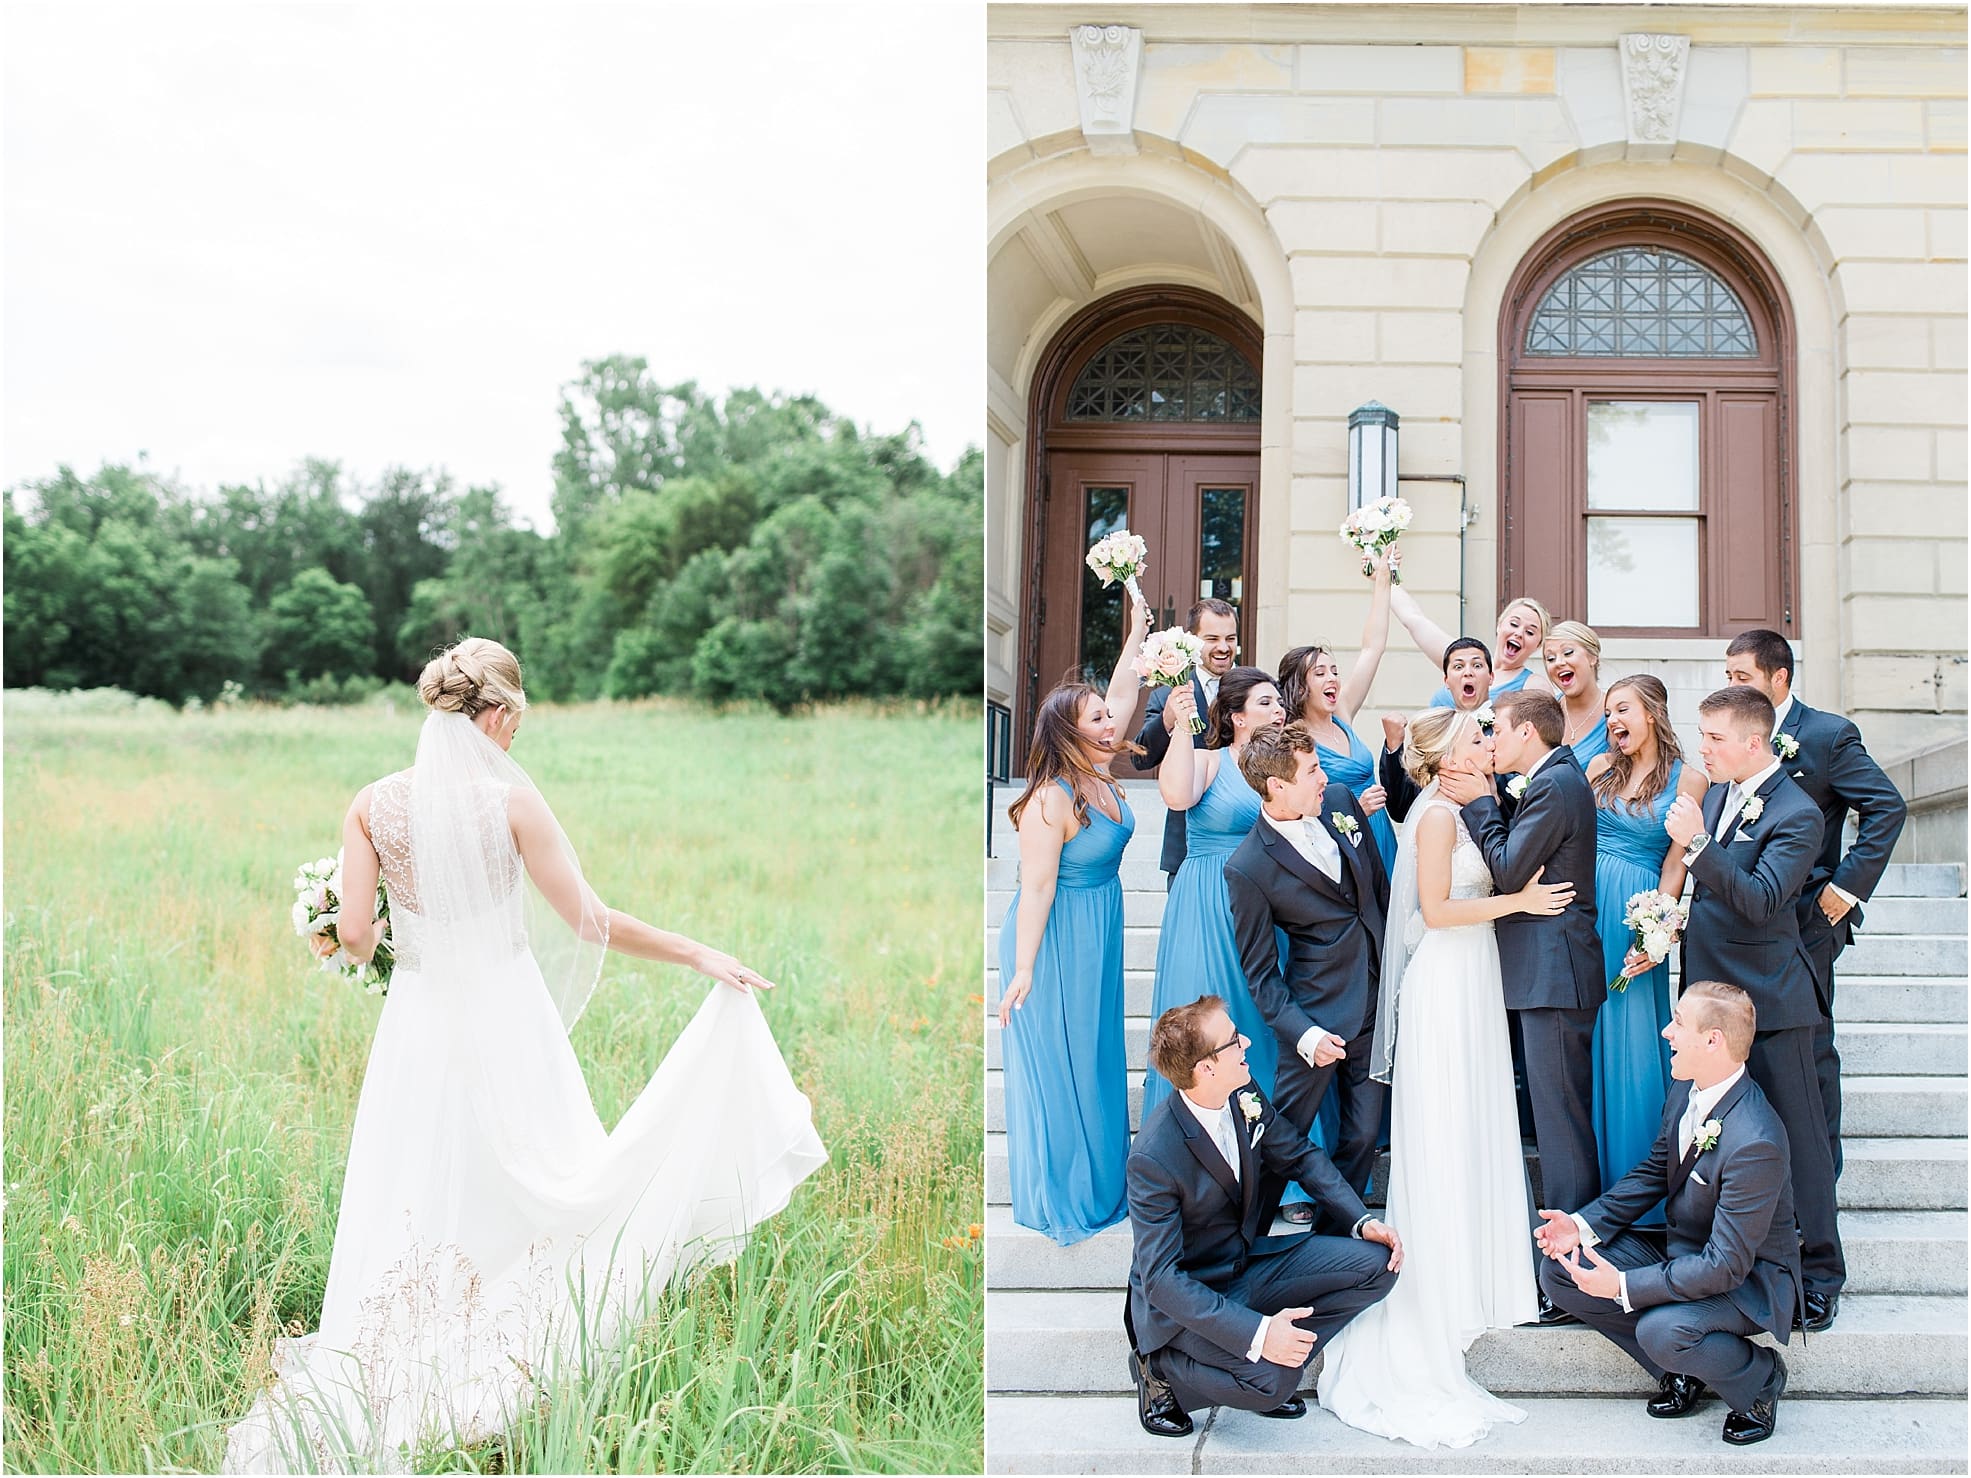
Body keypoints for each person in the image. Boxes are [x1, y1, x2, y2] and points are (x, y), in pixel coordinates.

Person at [225, 638, 827, 1473]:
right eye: (516, 721)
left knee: (419, 1178)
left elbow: (358, 941)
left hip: (419, 1026)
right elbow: (592, 922)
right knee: (541, 1172)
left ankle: (406, 1332)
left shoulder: (371, 804)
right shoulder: (510, 806)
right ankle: (527, 1339)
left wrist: (342, 919)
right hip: (507, 1021)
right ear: (498, 716)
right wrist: (697, 954)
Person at [1316, 707, 1573, 1449]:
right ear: (1441, 761)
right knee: (1443, 1131)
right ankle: (1442, 1285)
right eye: (1474, 740)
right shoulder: (1431, 817)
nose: (1487, 745)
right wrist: (1518, 902)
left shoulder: (1474, 808)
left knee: (1477, 1125)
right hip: (1443, 983)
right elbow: (1435, 909)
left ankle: (1482, 1278)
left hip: (1476, 980)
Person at [1537, 981, 1801, 1448]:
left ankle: (1759, 1379)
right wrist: (1579, 1226)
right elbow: (1657, 1171)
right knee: (1561, 1271)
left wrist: (1622, 1286)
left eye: (1679, 1022)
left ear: (1713, 1039)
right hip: (1685, 1251)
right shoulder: (1687, 1089)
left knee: (1662, 1330)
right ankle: (1681, 1372)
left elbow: (1725, 1266)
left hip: (1746, 1282)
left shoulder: (1755, 1140)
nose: (1666, 1032)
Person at [1123, 997, 1402, 1438]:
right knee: (1271, 1384)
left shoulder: (1244, 1095)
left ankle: (1274, 1352)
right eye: (1235, 1040)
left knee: (1378, 1265)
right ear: (1207, 1068)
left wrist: (1361, 1220)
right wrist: (1256, 1333)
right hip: (1190, 1300)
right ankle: (1161, 1370)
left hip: (1246, 1266)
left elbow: (1300, 1156)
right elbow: (1161, 1281)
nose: (1247, 1041)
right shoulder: (1154, 1157)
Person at [1665, 685, 1841, 1329]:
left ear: (1753, 742)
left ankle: (1820, 1271)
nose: (1703, 749)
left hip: (1771, 1005)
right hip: (1713, 1003)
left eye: (1714, 738)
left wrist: (1699, 848)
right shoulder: (1716, 793)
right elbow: (1713, 898)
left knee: (1799, 1143)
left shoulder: (1797, 813)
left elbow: (1764, 899)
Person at [1439, 687, 1605, 1316]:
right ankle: (1571, 1258)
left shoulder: (1556, 785)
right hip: (1543, 972)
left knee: (1561, 1128)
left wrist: (1483, 803)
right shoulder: (1549, 780)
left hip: (1555, 975)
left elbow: (1508, 870)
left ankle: (1572, 1272)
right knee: (1558, 1119)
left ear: (1529, 734)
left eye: (1498, 731)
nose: (1491, 742)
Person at [1724, 630, 1907, 1185]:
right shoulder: (1732, 738)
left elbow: (1886, 808)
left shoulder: (1826, 736)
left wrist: (1845, 887)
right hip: (1746, 923)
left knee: (1810, 1058)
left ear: (1779, 679)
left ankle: (1819, 1186)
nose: (1731, 686)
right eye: (1727, 677)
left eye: (1743, 678)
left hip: (1807, 922)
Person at [996, 597, 1152, 1246]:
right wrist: (1025, 967)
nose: (1110, 722)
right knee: (1062, 1062)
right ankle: (1063, 1190)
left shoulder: (1104, 777)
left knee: (1093, 1055)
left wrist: (1138, 631)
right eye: (1096, 718)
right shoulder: (1048, 800)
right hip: (1053, 937)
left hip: (1098, 928)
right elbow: (1035, 889)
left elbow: (1119, 689)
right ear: (1072, 731)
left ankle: (1100, 1180)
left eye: (1107, 716)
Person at [1223, 725, 1389, 1207]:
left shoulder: (1339, 801)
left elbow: (1377, 891)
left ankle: (1340, 1229)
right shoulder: (1248, 866)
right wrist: (1306, 1035)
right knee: (1282, 1137)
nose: (1324, 778)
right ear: (1277, 785)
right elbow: (1260, 973)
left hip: (1375, 1004)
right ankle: (1244, 1235)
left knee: (1362, 1137)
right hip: (1316, 1016)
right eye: (1313, 770)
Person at [1587, 676, 1710, 1209]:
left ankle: (1642, 1193)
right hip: (1586, 915)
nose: (1613, 721)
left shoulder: (1691, 779)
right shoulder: (1597, 770)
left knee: (1635, 1046)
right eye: (1609, 713)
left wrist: (1655, 934)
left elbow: (1675, 862)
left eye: (1623, 710)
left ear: (1653, 714)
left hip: (1636, 920)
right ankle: (1599, 1186)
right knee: (1591, 1043)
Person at [1144, 667, 1287, 1122]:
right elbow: (1176, 795)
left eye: (1279, 702)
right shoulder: (1211, 761)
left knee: (1262, 1021)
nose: (1279, 710)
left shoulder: (1282, 770)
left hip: (1266, 902)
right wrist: (1184, 725)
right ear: (1236, 717)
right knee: (1207, 1017)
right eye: (1266, 703)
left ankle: (1269, 1153)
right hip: (1207, 900)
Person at [1277, 550, 1398, 869]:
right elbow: (1295, 811)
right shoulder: (1291, 738)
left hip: (1380, 835)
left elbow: (1373, 647)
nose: (1332, 678)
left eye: (1334, 671)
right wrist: (1356, 809)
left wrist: (1382, 582)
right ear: (1300, 687)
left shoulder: (1341, 713)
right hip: (1338, 844)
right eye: (1320, 673)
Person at [1134, 597, 1241, 887]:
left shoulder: (1252, 688)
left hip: (1243, 839)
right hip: (1187, 844)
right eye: (1212, 638)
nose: (1223, 647)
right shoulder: (1164, 694)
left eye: (1230, 638)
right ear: (1193, 641)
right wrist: (1168, 718)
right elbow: (1140, 757)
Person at [1375, 637, 1493, 825]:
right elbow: (1401, 808)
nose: (1468, 673)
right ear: (1446, 680)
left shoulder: (1506, 727)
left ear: (1491, 677)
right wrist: (1394, 744)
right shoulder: (1436, 730)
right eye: (1458, 667)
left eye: (1477, 666)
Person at [1387, 590, 1552, 708]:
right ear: (1499, 625)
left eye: (1530, 632)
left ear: (1538, 645)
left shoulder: (1534, 686)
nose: (1519, 633)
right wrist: (1383, 576)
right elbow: (1414, 619)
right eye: (1514, 624)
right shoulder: (1461, 657)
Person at [1545, 620, 1610, 765]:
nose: (1559, 662)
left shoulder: (1615, 713)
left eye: (1568, 653)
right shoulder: (1544, 713)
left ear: (1592, 657)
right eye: (1550, 658)